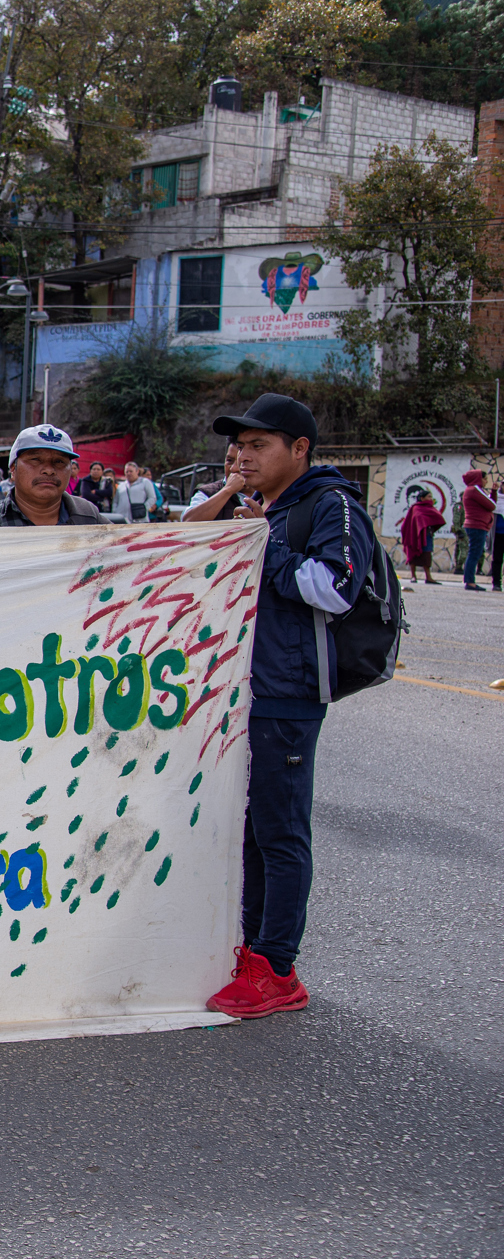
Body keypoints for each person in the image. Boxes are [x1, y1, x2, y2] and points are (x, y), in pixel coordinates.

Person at [204, 393, 378, 1021]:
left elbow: (333, 588)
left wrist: (260, 547)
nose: (243, 456)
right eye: (240, 446)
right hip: (249, 690)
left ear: (299, 449)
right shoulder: (272, 509)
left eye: (259, 445)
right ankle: (251, 951)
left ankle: (278, 967)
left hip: (288, 694)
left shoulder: (330, 506)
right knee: (252, 832)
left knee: (280, 833)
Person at [0, 426, 107, 527]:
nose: (49, 470)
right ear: (13, 467)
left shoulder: (88, 517)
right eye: (36, 460)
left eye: (59, 462)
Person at [185, 446, 246, 522]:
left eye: (242, 462)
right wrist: (228, 490)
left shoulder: (262, 494)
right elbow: (188, 522)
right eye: (229, 460)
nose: (234, 468)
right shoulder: (207, 493)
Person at [398, 490, 444, 585]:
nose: (430, 499)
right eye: (428, 497)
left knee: (427, 555)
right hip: (415, 535)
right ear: (422, 498)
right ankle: (413, 576)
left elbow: (438, 518)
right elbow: (412, 521)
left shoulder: (431, 508)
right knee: (413, 555)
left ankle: (428, 577)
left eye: (431, 497)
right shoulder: (415, 508)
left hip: (427, 535)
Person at [461, 469, 494, 592]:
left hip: (478, 526)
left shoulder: (473, 490)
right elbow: (492, 505)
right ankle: (470, 581)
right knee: (474, 553)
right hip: (476, 526)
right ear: (479, 478)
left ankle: (470, 580)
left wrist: (494, 491)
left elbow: (491, 503)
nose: (486, 482)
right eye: (485, 479)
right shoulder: (474, 490)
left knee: (475, 553)